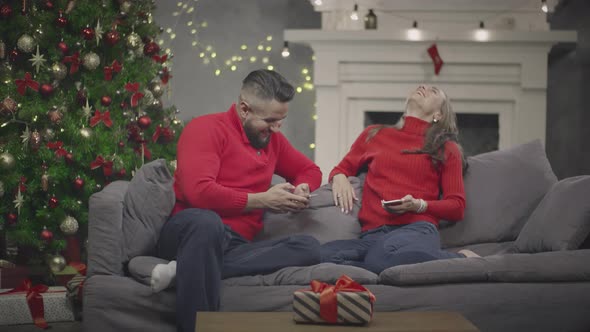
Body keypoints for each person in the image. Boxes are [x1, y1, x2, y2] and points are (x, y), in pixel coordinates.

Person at [156, 69, 323, 332]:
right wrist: (263, 200)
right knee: (207, 223)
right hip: (190, 230)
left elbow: (311, 171)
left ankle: (186, 268)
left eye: (281, 120)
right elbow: (198, 193)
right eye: (269, 120)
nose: (276, 128)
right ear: (244, 109)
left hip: (234, 246)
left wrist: (303, 187)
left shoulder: (272, 141)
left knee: (309, 247)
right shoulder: (206, 129)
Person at [321, 84, 478, 275]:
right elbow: (342, 168)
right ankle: (385, 265)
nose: (423, 87)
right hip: (372, 235)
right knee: (324, 255)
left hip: (416, 230)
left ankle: (464, 260)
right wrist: (339, 177)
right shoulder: (374, 134)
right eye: (422, 86)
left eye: (434, 90)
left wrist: (418, 205)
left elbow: (457, 206)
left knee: (379, 258)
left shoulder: (447, 148)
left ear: (439, 114)